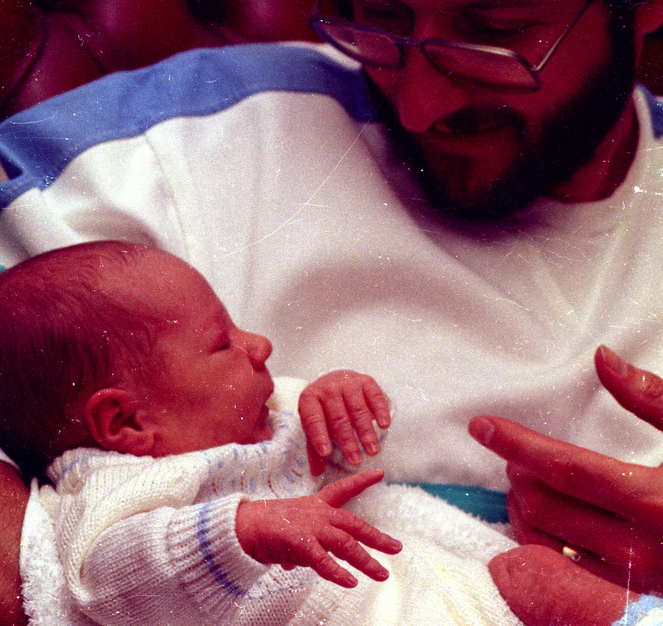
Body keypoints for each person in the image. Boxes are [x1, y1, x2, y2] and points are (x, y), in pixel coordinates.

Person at [0, 0, 662, 626]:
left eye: (492, 36)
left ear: (647, 1)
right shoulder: (171, 150)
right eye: (378, 13)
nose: (421, 104)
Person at [6, 240, 522, 626]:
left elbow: (342, 460)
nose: (260, 344)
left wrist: (340, 404)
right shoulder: (114, 486)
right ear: (127, 422)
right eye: (221, 343)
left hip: (422, 595)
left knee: (532, 574)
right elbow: (106, 579)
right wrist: (242, 531)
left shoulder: (260, 417)